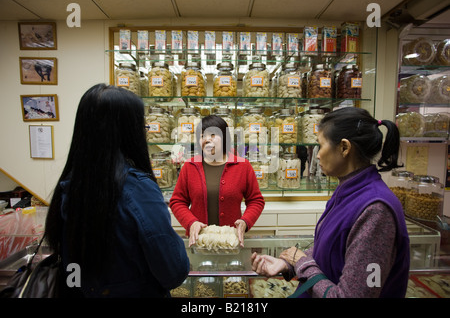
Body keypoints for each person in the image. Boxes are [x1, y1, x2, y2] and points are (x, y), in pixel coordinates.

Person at [44, 83, 190, 297]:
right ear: (129, 132)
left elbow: (72, 273)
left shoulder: (71, 185)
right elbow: (173, 272)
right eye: (142, 126)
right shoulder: (138, 189)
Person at [251, 107, 410, 298]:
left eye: (321, 145)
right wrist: (288, 265)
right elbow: (331, 251)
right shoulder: (348, 191)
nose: (317, 155)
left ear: (344, 147)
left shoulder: (376, 211)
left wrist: (301, 263)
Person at [170, 115, 265, 247]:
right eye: (202, 135)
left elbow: (256, 200)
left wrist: (245, 221)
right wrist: (191, 222)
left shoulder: (243, 166)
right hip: (199, 242)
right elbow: (177, 201)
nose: (207, 139)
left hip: (231, 242)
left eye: (213, 134)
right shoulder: (189, 166)